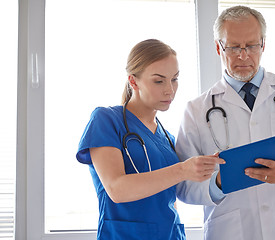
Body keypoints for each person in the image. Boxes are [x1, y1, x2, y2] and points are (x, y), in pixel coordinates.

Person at [175, 5, 275, 240]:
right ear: (218, 47)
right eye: (233, 47)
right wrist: (219, 182)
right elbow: (183, 185)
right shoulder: (196, 110)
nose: (243, 55)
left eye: (251, 46)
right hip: (231, 231)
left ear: (263, 44)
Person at [76, 39, 224, 240]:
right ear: (133, 81)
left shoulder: (168, 138)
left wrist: (217, 176)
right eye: (159, 80)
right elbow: (116, 189)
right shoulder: (107, 120)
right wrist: (183, 170)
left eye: (174, 79)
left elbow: (180, 191)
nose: (170, 90)